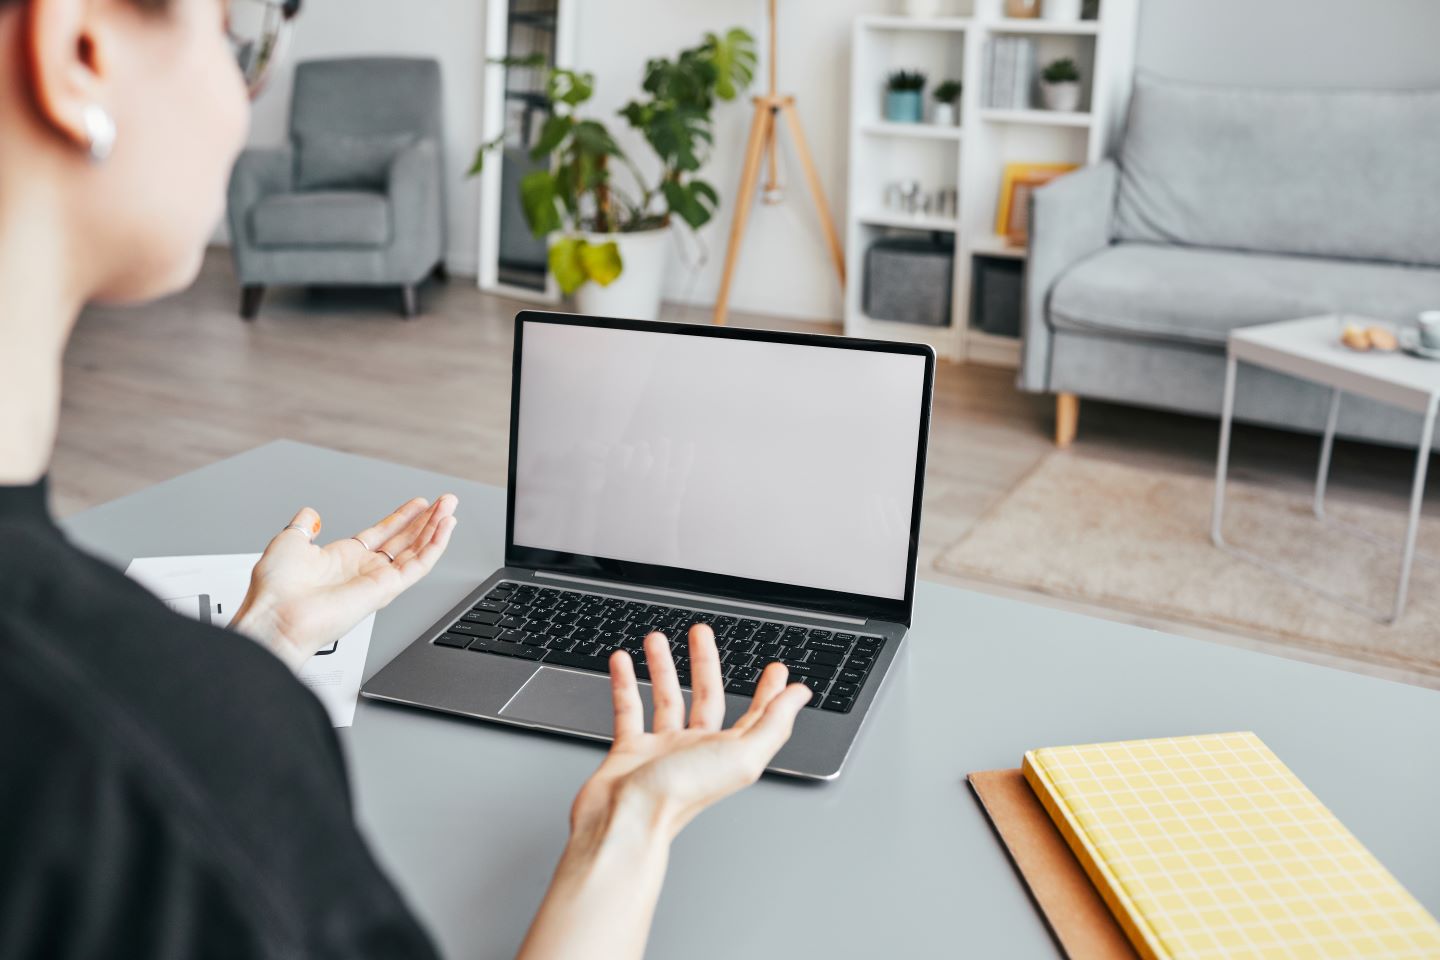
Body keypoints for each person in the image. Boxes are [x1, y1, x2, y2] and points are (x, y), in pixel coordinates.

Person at [0, 0, 813, 957]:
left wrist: (266, 639)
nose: (241, 100)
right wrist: (630, 822)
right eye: (238, 41)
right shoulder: (144, 763)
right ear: (78, 49)